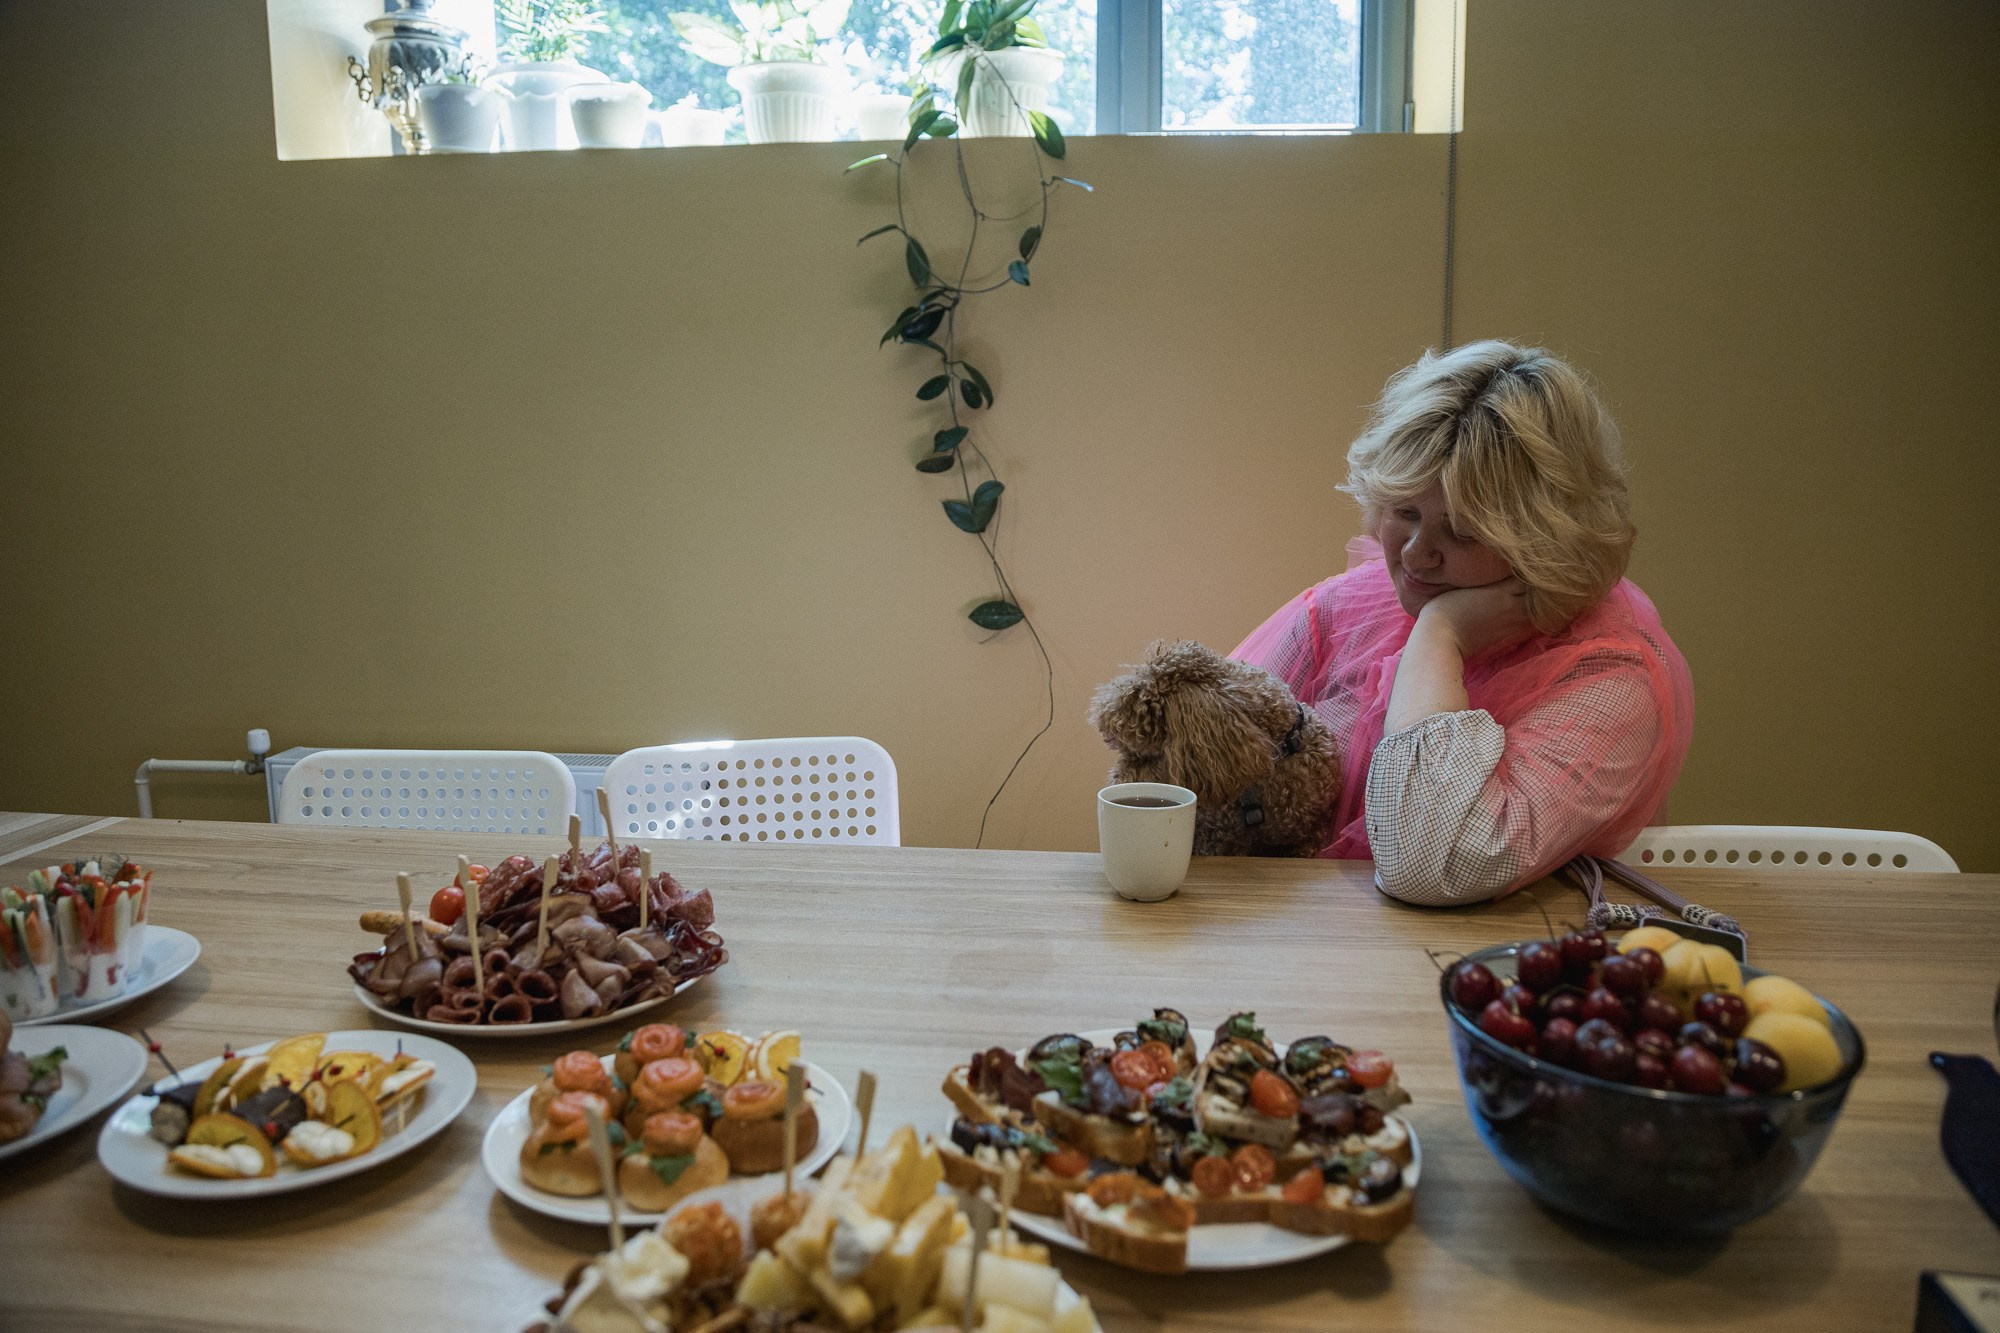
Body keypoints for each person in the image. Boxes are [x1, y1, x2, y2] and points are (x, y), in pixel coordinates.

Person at [1232, 340, 1693, 905]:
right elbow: (1189, 762)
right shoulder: (1347, 607)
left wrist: (1440, 635)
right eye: (1405, 512)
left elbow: (1426, 864)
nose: (1416, 556)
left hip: (1487, 972)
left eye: (1465, 532)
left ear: (1542, 540)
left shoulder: (1610, 680)